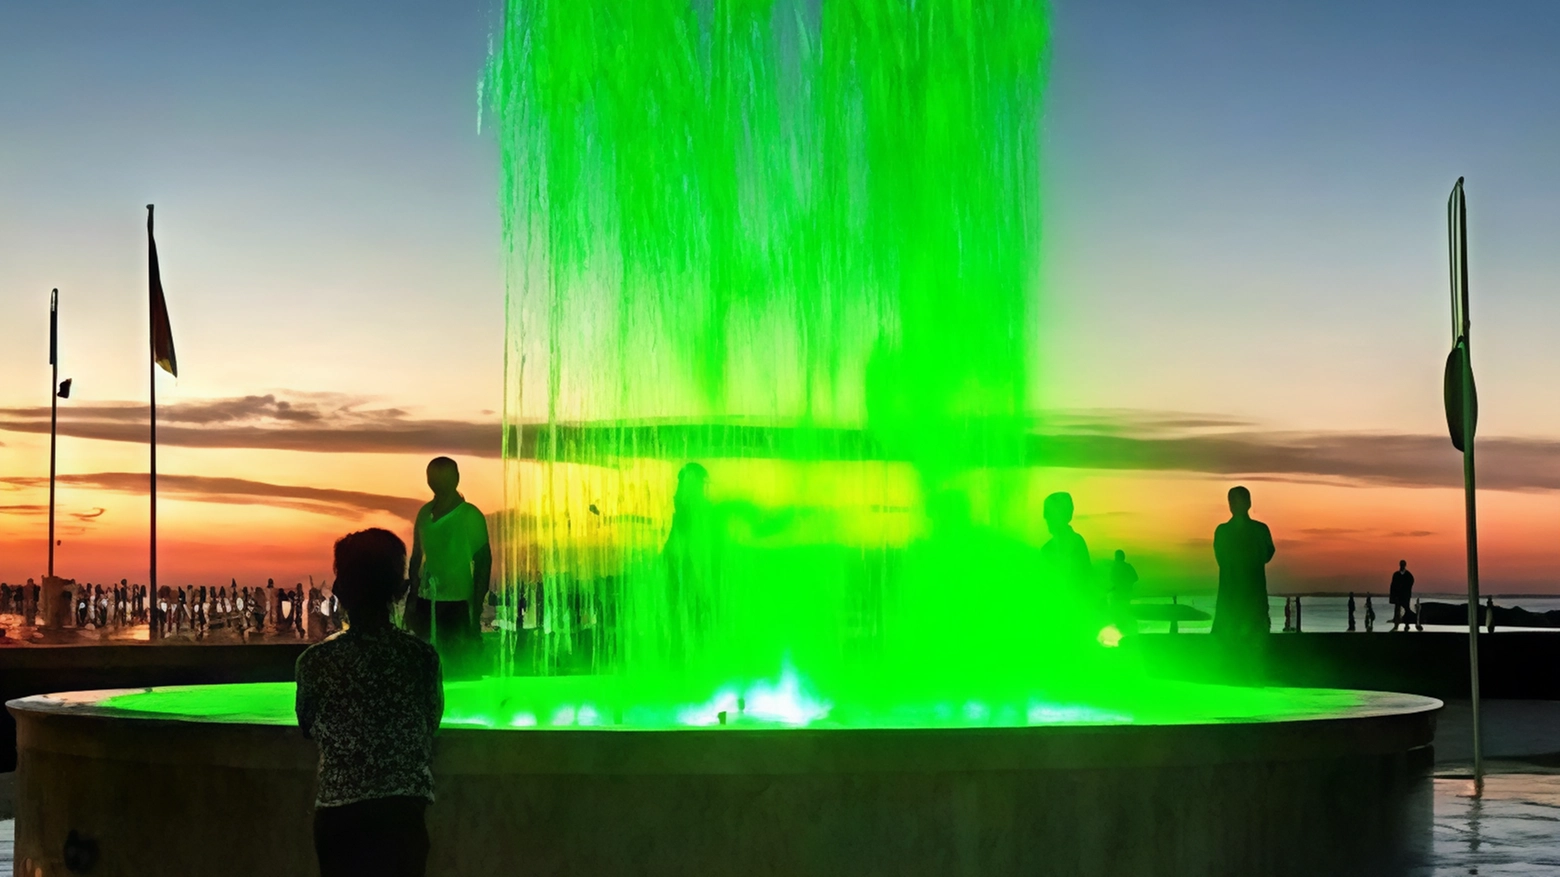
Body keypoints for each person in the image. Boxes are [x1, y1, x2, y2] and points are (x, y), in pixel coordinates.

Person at [296, 528, 442, 877]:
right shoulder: (421, 658)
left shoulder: (315, 662)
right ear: (402, 590)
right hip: (402, 816)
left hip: (339, 816)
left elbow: (307, 725)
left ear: (340, 591)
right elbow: (430, 721)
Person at [407, 457, 491, 679]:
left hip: (458, 601)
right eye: (433, 476)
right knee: (426, 667)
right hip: (427, 600)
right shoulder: (425, 513)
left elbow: (483, 562)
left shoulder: (470, 515)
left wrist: (476, 607)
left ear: (456, 479)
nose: (437, 481)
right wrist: (412, 600)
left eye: (442, 476)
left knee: (459, 666)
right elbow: (417, 558)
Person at [1212, 486, 1276, 640]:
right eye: (1232, 501)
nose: (1234, 505)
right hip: (1242, 598)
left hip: (1242, 598)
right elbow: (1268, 554)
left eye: (1236, 501)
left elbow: (1267, 554)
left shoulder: (1224, 531)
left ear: (1248, 503)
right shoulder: (1257, 530)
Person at [1040, 491, 1099, 643]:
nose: (1045, 518)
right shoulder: (1047, 550)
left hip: (1074, 613)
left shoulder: (1076, 544)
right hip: (1055, 614)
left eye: (1049, 513)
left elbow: (1086, 578)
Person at [1108, 549, 1138, 631]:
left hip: (1118, 594)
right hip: (1125, 593)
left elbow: (1112, 579)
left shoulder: (1115, 567)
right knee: (1126, 611)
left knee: (1119, 613)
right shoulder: (1127, 566)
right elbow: (1135, 578)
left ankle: (1122, 629)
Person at [1390, 561, 1414, 632]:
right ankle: (1396, 624)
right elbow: (1393, 586)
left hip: (1405, 595)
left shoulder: (1408, 575)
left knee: (1406, 609)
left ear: (1405, 565)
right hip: (1398, 595)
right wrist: (1393, 596)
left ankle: (1407, 624)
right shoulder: (1396, 574)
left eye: (1403, 565)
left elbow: (1411, 583)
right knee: (1397, 610)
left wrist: (1406, 590)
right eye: (1401, 564)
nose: (1402, 566)